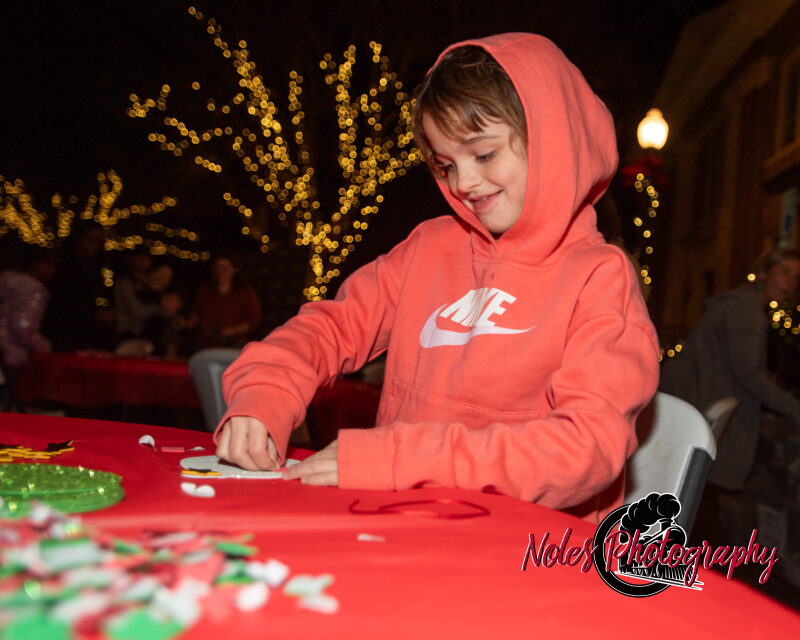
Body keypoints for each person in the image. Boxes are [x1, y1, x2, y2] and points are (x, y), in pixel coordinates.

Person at [215, 34, 660, 522]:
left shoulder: (600, 277)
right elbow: (330, 326)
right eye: (446, 165)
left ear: (554, 140)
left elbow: (584, 448)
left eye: (484, 154)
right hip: (398, 522)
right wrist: (266, 393)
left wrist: (402, 461)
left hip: (527, 545)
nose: (463, 183)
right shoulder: (429, 247)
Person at [660, 247, 800, 491]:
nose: (790, 282)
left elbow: (737, 362)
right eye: (784, 271)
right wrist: (794, 408)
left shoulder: (745, 304)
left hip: (688, 402)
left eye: (796, 276)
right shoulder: (747, 310)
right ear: (764, 272)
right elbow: (747, 373)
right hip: (691, 403)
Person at [41, 220, 114, 351]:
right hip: (61, 326)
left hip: (82, 328)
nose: (95, 246)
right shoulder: (63, 265)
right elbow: (64, 299)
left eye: (99, 242)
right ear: (78, 238)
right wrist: (94, 314)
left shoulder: (92, 266)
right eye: (91, 240)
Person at [0, 246, 58, 406]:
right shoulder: (33, 290)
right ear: (39, 265)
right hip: (10, 355)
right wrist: (46, 347)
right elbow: (24, 328)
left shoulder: (4, 280)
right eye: (51, 265)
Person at [191, 255, 262, 350]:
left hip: (235, 344)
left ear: (234, 269)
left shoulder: (246, 293)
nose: (220, 272)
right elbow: (196, 316)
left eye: (224, 269)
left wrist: (232, 330)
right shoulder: (205, 291)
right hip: (206, 344)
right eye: (217, 268)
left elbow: (254, 320)